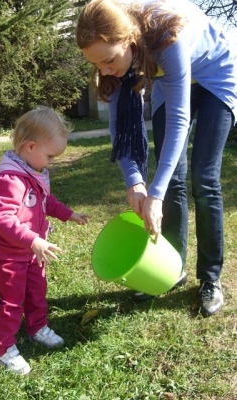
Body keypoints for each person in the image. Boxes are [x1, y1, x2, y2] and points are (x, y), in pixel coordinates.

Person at [76, 0, 237, 316]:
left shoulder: (166, 37)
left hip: (216, 76)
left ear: (128, 39)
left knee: (203, 178)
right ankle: (171, 268)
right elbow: (120, 127)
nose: (105, 70)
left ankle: (210, 278)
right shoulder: (117, 61)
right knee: (172, 177)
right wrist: (135, 182)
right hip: (169, 81)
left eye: (108, 60)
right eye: (97, 65)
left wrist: (155, 194)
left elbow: (179, 119)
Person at [0, 106, 90, 374]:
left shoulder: (32, 171)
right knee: (11, 302)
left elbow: (45, 201)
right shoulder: (9, 179)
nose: (52, 162)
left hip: (30, 250)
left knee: (37, 291)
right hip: (9, 254)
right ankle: (4, 349)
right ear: (30, 146)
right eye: (51, 156)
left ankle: (37, 327)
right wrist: (32, 239)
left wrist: (69, 214)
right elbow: (3, 219)